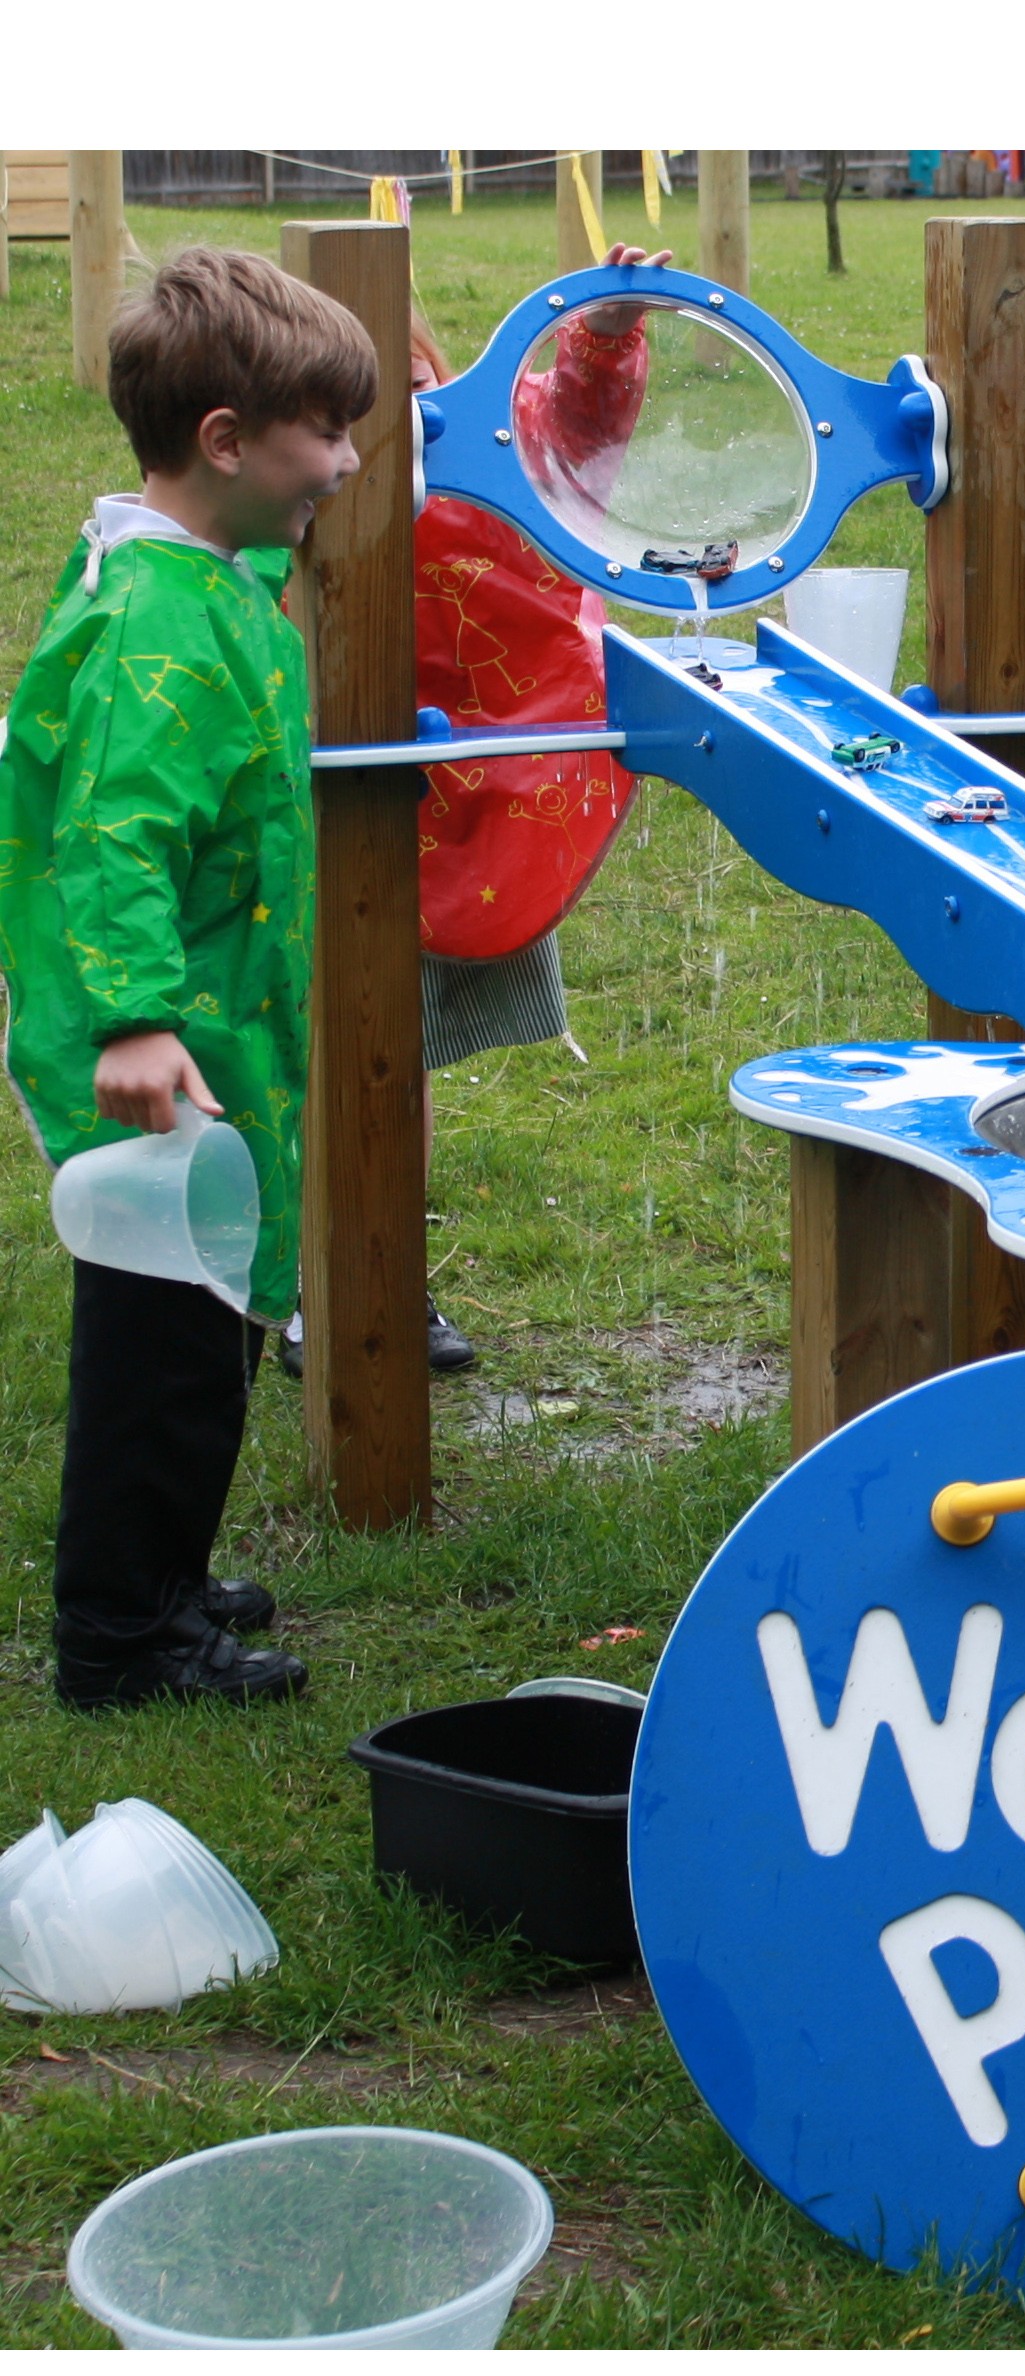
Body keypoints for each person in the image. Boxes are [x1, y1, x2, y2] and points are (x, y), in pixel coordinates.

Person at [0, 246, 376, 1709]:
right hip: (158, 1043)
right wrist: (140, 1022)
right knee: (162, 1344)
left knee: (212, 1312)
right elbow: (113, 837)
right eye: (325, 436)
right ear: (224, 443)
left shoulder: (203, 565)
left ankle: (161, 1575)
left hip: (215, 1025)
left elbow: (277, 544)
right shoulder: (157, 624)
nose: (345, 464)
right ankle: (121, 1637)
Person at [278, 243, 664, 1381]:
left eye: (392, 383)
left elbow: (580, 428)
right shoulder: (278, 474)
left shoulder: (492, 441)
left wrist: (604, 329)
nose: (367, 429)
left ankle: (380, 1271)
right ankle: (304, 1283)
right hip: (318, 794)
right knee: (313, 1051)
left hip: (468, 799)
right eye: (332, 406)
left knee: (392, 1054)